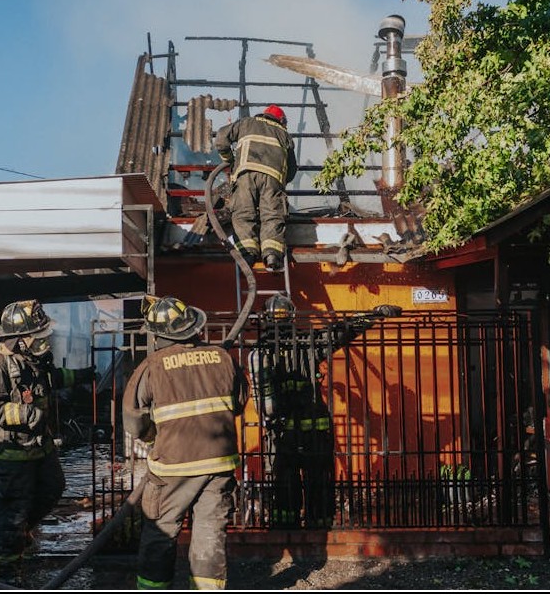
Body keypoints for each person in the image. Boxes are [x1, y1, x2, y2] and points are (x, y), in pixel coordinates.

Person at [122, 295, 248, 590]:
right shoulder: (222, 357)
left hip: (173, 467)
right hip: (219, 463)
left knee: (160, 531)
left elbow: (133, 420)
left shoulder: (153, 366)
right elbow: (240, 401)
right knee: (210, 532)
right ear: (193, 326)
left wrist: (152, 436)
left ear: (157, 335)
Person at [248, 293, 402, 529]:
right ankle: (319, 528)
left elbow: (262, 402)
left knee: (284, 484)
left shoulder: (261, 352)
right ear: (292, 317)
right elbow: (344, 330)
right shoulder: (309, 342)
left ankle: (284, 530)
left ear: (265, 319)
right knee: (318, 483)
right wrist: (374, 314)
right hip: (315, 432)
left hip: (281, 433)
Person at [0, 299, 66, 586]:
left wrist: (85, 374)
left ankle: (24, 530)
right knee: (11, 518)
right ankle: (7, 577)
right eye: (37, 336)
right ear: (19, 340)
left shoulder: (33, 363)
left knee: (54, 488)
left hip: (40, 450)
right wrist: (25, 414)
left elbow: (53, 380)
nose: (43, 341)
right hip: (12, 457)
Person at [214, 104, 298, 272]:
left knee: (243, 213)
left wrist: (229, 160)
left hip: (246, 175)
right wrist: (279, 183)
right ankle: (272, 255)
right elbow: (291, 171)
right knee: (272, 215)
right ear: (281, 120)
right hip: (273, 180)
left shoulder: (246, 123)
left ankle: (248, 254)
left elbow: (221, 138)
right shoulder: (285, 135)